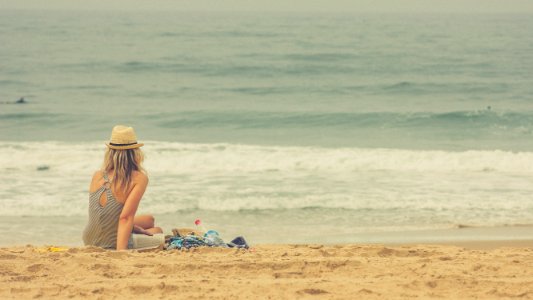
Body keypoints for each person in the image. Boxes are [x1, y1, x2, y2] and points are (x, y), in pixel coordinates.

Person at [82, 125, 163, 250]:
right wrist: (121, 253)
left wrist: (134, 228)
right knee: (157, 231)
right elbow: (125, 218)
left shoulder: (97, 175)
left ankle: (132, 230)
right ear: (135, 152)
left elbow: (104, 214)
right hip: (111, 243)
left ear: (110, 152)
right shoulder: (139, 178)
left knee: (149, 219)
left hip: (89, 238)